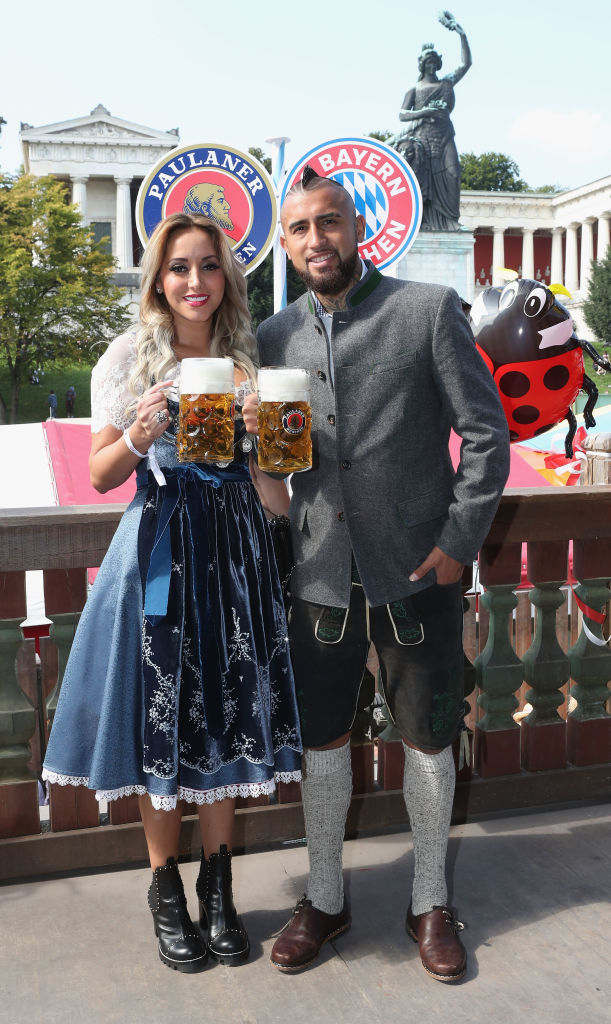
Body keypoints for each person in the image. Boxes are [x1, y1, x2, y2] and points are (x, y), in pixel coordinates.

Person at [242, 169, 510, 983]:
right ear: (285, 244)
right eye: (299, 229)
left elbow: (485, 433)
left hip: (418, 570)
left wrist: (459, 541)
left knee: (427, 738)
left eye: (329, 222)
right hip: (318, 575)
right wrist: (255, 449)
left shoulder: (425, 310)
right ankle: (324, 899)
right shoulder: (271, 336)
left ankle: (429, 902)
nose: (315, 240)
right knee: (323, 743)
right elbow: (276, 471)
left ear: (357, 227)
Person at [43, 212, 302, 974]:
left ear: (227, 278)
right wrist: (139, 429)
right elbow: (100, 474)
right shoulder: (130, 357)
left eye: (209, 266)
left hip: (236, 559)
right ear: (159, 278)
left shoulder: (250, 362)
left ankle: (218, 892)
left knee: (221, 718)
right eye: (180, 266)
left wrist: (261, 441)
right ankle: (166, 894)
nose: (195, 281)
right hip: (159, 548)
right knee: (162, 721)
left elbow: (278, 501)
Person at [391, 12, 471, 231]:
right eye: (428, 62)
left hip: (444, 134)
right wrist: (424, 112)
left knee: (453, 174)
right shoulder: (414, 89)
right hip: (422, 139)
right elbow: (402, 114)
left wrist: (461, 34)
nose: (432, 65)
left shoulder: (447, 82)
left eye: (435, 62)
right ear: (422, 65)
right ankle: (422, 221)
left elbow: (466, 64)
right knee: (422, 181)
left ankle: (450, 221)